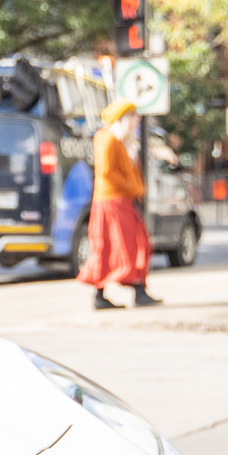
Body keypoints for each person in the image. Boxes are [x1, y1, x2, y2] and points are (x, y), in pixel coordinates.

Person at [82, 99, 159, 310]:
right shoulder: (108, 139)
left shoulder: (121, 141)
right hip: (112, 201)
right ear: (124, 119)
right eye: (134, 118)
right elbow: (107, 171)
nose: (137, 122)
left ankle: (134, 289)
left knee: (128, 244)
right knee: (119, 246)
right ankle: (127, 291)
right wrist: (129, 186)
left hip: (119, 201)